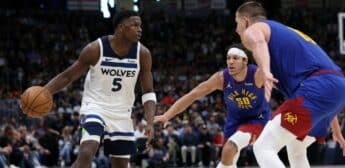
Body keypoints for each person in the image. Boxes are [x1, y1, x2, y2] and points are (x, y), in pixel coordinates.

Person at [21, 10, 156, 168]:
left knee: (121, 164)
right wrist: (44, 92)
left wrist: (150, 121)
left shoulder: (143, 54)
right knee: (86, 152)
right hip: (95, 108)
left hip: (122, 114)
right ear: (121, 27)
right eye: (135, 25)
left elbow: (148, 91)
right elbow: (68, 76)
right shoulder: (96, 49)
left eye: (140, 25)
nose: (140, 29)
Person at [234, 1, 345, 168]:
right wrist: (335, 128)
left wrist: (265, 71)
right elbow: (326, 84)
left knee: (263, 147)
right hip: (337, 89)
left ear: (245, 21)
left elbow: (259, 43)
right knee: (296, 146)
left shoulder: (255, 29)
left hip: (316, 88)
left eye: (237, 23)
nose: (236, 29)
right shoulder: (284, 35)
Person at [154, 44, 270, 168]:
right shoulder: (221, 78)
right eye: (228, 58)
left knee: (229, 149)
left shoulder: (257, 75)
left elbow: (284, 84)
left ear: (244, 61)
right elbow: (192, 95)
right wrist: (167, 115)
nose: (230, 61)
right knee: (227, 159)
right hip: (234, 120)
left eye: (235, 58)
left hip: (256, 119)